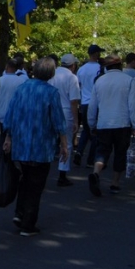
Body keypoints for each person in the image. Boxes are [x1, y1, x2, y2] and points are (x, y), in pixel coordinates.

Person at [2, 58, 69, 236]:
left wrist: (8, 137)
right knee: (36, 184)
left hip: (21, 143)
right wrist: (64, 144)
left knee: (25, 179)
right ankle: (28, 224)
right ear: (51, 73)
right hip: (41, 145)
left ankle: (20, 213)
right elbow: (58, 121)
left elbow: (11, 114)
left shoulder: (22, 88)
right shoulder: (51, 92)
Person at [87, 54, 135, 196]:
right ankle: (115, 183)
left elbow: (92, 106)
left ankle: (96, 173)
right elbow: (133, 105)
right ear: (120, 65)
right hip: (122, 123)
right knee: (120, 153)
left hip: (104, 123)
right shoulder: (128, 80)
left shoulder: (99, 81)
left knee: (102, 151)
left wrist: (91, 123)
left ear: (107, 67)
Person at [47, 53, 81, 186]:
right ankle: (62, 173)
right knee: (66, 144)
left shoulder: (52, 74)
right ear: (73, 65)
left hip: (51, 110)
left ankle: (42, 167)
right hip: (66, 112)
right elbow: (74, 101)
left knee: (49, 140)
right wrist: (76, 120)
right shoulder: (72, 78)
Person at [74, 44, 104, 166]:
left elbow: (78, 86)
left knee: (86, 130)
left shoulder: (81, 69)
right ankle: (91, 159)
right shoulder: (100, 68)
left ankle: (79, 152)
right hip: (96, 103)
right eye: (99, 52)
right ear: (95, 54)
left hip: (85, 102)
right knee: (95, 132)